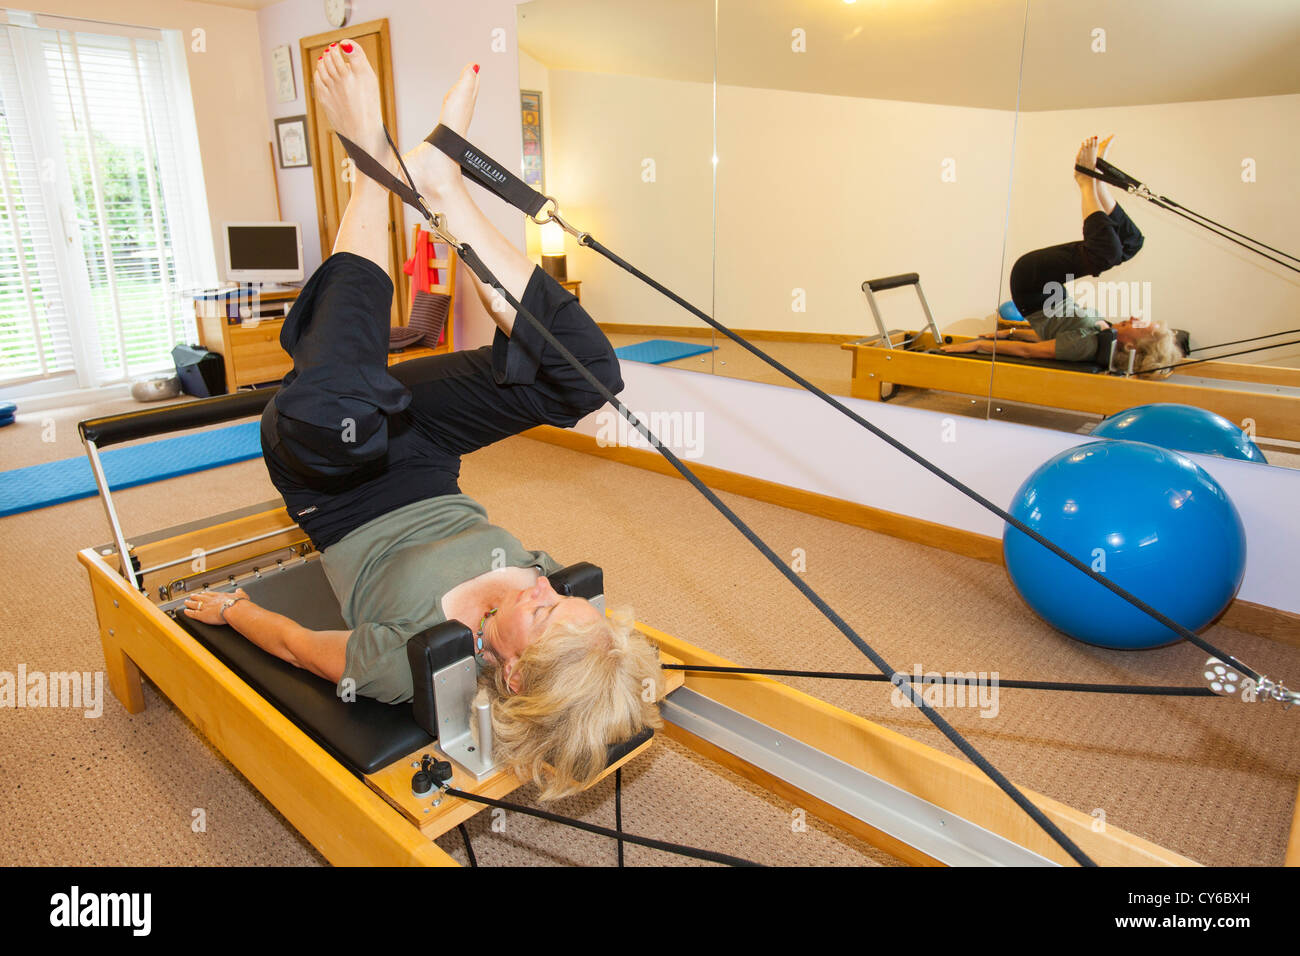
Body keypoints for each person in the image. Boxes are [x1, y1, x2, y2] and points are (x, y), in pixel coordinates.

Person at [180, 41, 662, 799]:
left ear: (506, 667)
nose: (546, 589)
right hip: (430, 457)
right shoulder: (549, 606)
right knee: (590, 380)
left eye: (543, 614)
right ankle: (441, 182)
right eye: (565, 600)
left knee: (346, 406)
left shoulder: (405, 659)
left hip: (336, 489)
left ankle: (369, 158)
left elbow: (303, 648)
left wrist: (233, 609)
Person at [943, 136, 1182, 378]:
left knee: (1106, 254)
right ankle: (1098, 181)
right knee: (1131, 244)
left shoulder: (1088, 346)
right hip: (1050, 289)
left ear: (1131, 347)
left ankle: (1086, 181)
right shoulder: (1106, 335)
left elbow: (1029, 351)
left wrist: (978, 345)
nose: (1135, 317)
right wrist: (1010, 332)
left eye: (1141, 325)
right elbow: (1051, 333)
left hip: (1033, 283)